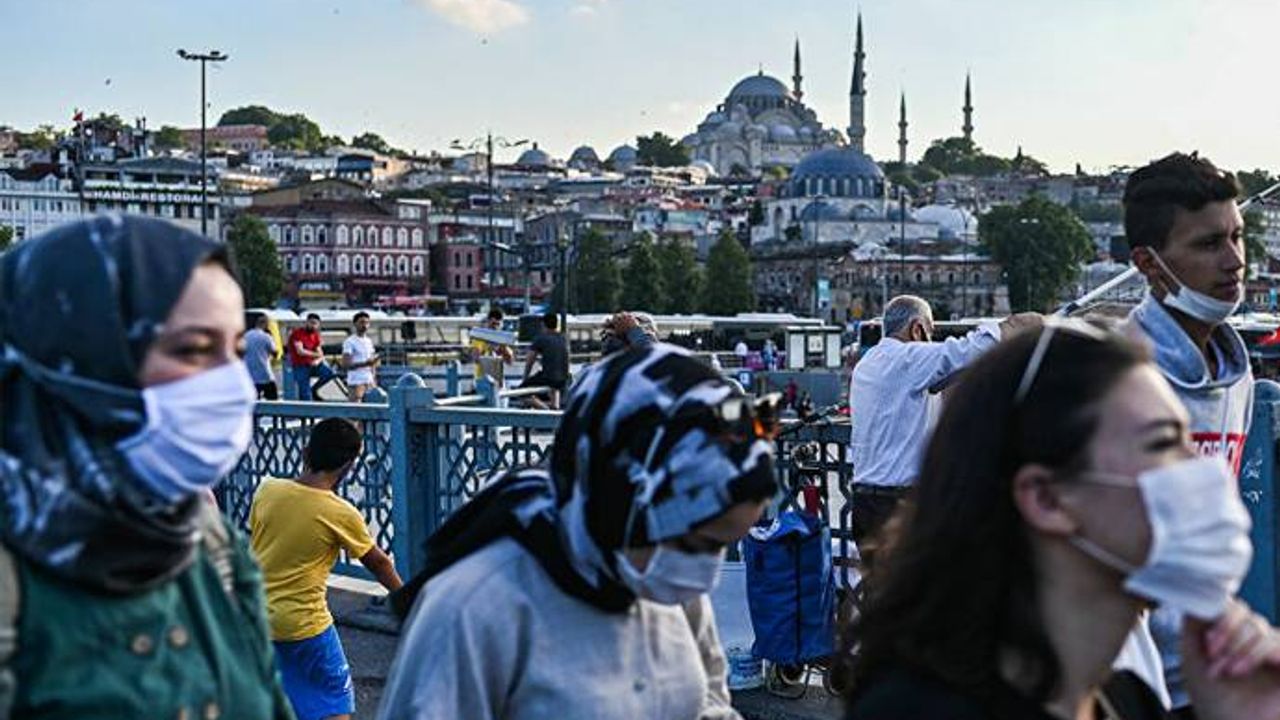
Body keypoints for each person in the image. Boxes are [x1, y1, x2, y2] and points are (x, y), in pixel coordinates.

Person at [846, 319, 1280, 720]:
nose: (1201, 465)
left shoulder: (1129, 699)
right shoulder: (919, 712)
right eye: (1162, 442)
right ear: (1047, 498)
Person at [378, 345, 779, 720]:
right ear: (620, 502)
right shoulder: (476, 607)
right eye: (698, 543)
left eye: (722, 546)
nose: (706, 574)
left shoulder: (666, 578)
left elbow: (710, 702)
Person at [0, 215, 293, 718]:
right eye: (193, 349)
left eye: (236, 352)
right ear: (82, 358)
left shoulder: (208, 540)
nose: (232, 385)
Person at [1118, 152, 1254, 715]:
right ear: (1148, 264)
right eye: (1208, 244)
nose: (1235, 261)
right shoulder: (1116, 377)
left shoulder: (1237, 376)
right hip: (1135, 685)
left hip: (1209, 676)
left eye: (1237, 237)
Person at [847, 295, 1039, 549]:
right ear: (917, 329)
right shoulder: (908, 358)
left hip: (863, 502)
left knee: (880, 576)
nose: (931, 340)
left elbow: (938, 382)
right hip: (898, 505)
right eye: (930, 331)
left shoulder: (868, 363)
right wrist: (1032, 323)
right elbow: (976, 347)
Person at [250, 417, 402, 720]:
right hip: (305, 626)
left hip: (260, 620)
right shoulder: (339, 513)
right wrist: (406, 597)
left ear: (305, 452)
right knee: (334, 704)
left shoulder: (266, 490)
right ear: (349, 466)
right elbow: (378, 562)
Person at [520, 312, 569, 410]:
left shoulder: (541, 339)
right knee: (554, 390)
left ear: (543, 324)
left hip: (548, 378)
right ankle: (554, 408)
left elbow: (530, 361)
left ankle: (545, 410)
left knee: (522, 393)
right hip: (563, 379)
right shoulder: (563, 338)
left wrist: (525, 378)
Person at [289, 313, 338, 401]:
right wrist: (317, 355)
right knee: (305, 393)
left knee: (329, 374)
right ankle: (306, 406)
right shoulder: (298, 333)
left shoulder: (315, 335)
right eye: (311, 323)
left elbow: (320, 353)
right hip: (300, 365)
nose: (313, 325)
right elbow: (300, 351)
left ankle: (314, 389)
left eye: (315, 324)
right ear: (306, 322)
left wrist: (317, 361)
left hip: (313, 364)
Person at [341, 311, 380, 403]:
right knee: (356, 408)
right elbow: (346, 364)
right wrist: (365, 364)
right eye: (362, 322)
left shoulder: (369, 341)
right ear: (355, 324)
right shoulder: (350, 341)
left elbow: (372, 363)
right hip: (356, 381)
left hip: (369, 381)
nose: (364, 325)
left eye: (367, 323)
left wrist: (374, 379)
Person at [246, 311, 281, 400]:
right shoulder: (266, 337)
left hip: (250, 374)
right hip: (265, 374)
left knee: (254, 400)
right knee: (273, 400)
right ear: (265, 324)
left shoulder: (246, 336)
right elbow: (275, 353)